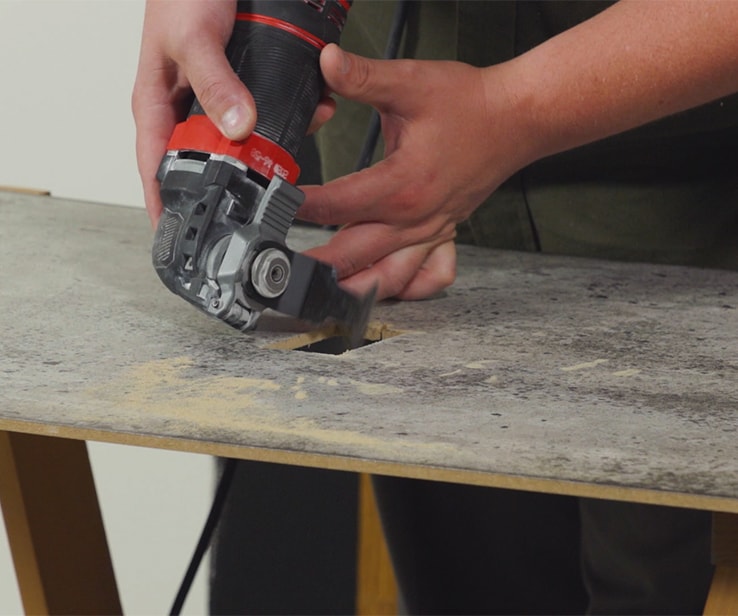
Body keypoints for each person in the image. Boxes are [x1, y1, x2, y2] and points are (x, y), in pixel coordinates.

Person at [133, 1, 738, 613]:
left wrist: (514, 107)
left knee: (662, 580)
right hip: (396, 118)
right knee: (462, 581)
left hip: (677, 135)